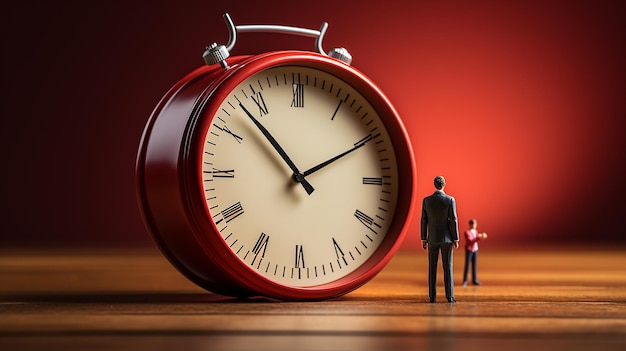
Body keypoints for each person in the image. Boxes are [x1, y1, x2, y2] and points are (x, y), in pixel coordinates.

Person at [420, 175, 459, 303]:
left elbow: (424, 220)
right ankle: (450, 297)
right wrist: (456, 238)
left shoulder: (427, 200)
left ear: (434, 185)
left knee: (432, 268)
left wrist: (424, 238)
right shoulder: (450, 200)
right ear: (444, 184)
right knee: (448, 267)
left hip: (432, 238)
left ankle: (432, 297)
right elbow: (453, 220)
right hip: (447, 239)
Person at [462, 219, 488, 287]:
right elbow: (471, 240)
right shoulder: (467, 232)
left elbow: (476, 239)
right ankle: (465, 280)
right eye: (473, 224)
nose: (474, 226)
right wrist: (479, 237)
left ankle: (474, 280)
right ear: (470, 225)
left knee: (474, 265)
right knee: (467, 265)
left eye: (475, 224)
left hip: (475, 249)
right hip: (469, 250)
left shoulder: (476, 231)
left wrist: (481, 237)